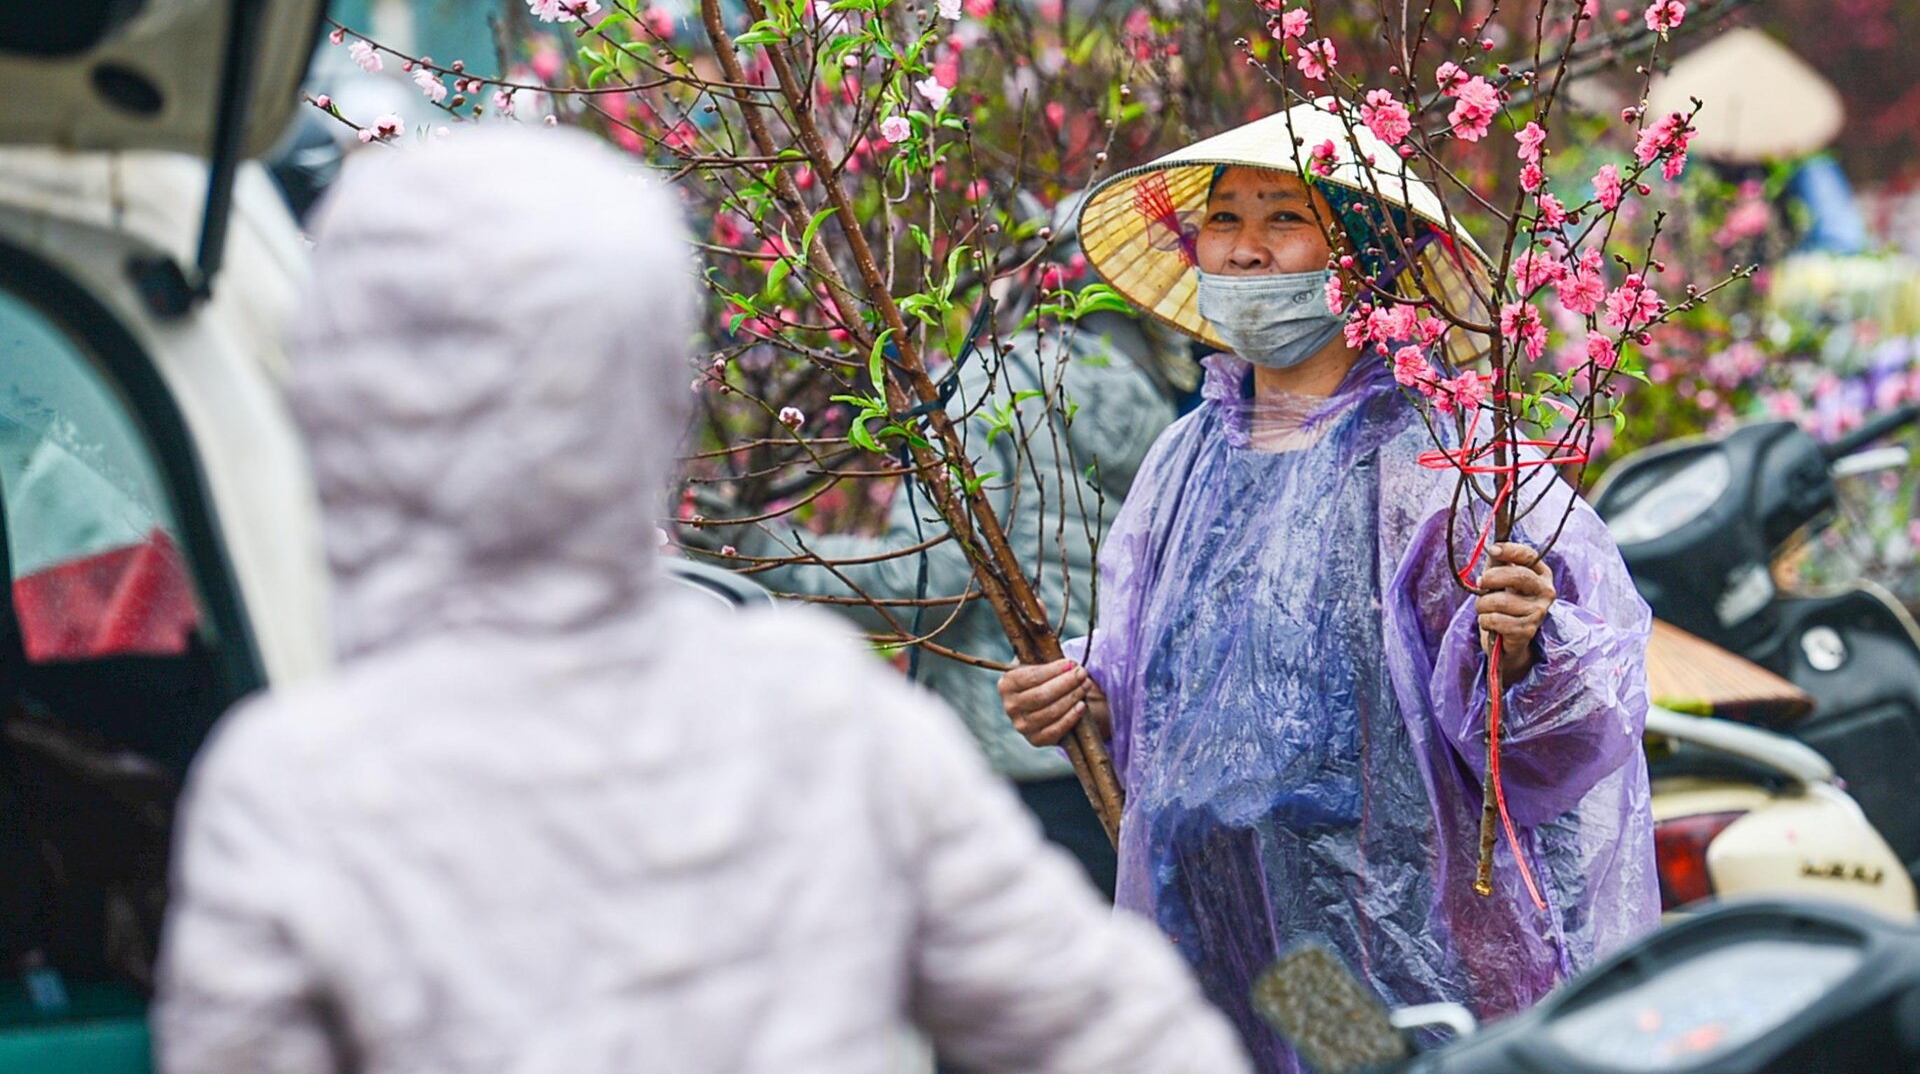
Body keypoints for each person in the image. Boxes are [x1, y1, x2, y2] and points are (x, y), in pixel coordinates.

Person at [151, 127, 1251, 1074]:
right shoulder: (820, 715)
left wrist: (767, 545)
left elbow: (935, 576)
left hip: (1101, 782)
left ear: (340, 401)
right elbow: (1120, 1031)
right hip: (1161, 797)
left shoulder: (292, 790)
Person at [998, 102, 1658, 1071]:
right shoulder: (1185, 460)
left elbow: (1571, 728)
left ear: (1363, 261)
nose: (1247, 250)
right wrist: (1083, 689)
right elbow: (1166, 668)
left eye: (1284, 218)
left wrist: (1523, 648)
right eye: (1225, 220)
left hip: (1381, 942)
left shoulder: (1444, 463)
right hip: (1218, 927)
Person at [730, 223, 1176, 899]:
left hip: (1019, 742)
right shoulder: (1158, 403)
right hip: (1109, 728)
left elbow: (931, 581)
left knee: (1042, 974)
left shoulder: (974, 390)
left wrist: (769, 554)